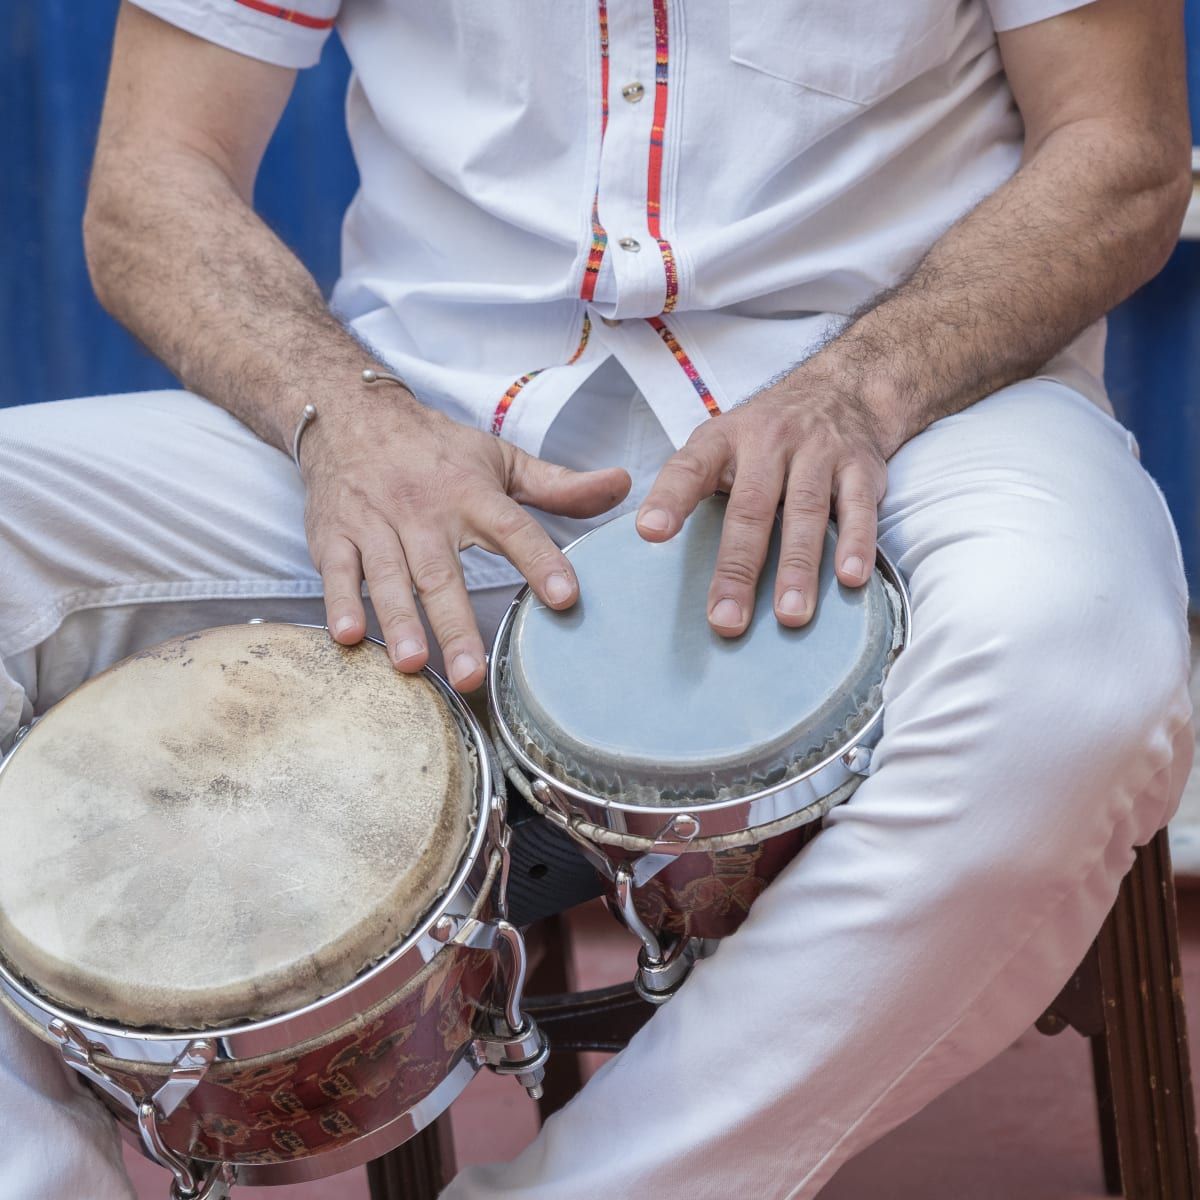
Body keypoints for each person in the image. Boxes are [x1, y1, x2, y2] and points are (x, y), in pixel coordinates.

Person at [0, 0, 1193, 1196]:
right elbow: (155, 182)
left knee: (1071, 659)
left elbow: (1120, 154)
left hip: (905, 414)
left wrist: (865, 387)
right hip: (425, 424)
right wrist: (349, 418)